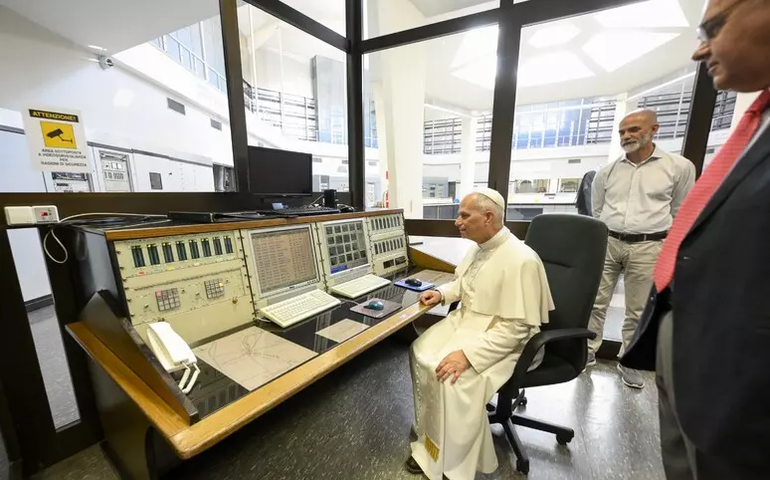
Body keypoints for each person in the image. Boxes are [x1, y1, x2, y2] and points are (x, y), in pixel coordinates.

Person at [622, 1, 770, 478]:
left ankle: (624, 365)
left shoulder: (678, 166)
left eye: (714, 27)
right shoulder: (756, 125)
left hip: (739, 374)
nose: (698, 50)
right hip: (685, 330)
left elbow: (685, 209)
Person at [405, 188, 553, 480]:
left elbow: (518, 328)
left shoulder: (521, 259)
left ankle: (452, 462)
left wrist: (468, 356)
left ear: (488, 217)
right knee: (419, 351)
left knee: (450, 375)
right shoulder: (480, 245)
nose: (457, 222)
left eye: (464, 215)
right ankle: (430, 433)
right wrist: (441, 293)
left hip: (506, 341)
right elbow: (466, 285)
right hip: (468, 322)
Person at [587, 109, 695, 389]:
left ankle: (629, 361)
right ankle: (586, 352)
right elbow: (598, 209)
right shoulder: (607, 171)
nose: (627, 136)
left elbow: (680, 210)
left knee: (637, 310)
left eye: (633, 129)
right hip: (608, 242)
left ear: (654, 129)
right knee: (596, 302)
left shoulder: (678, 167)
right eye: (623, 131)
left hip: (650, 244)